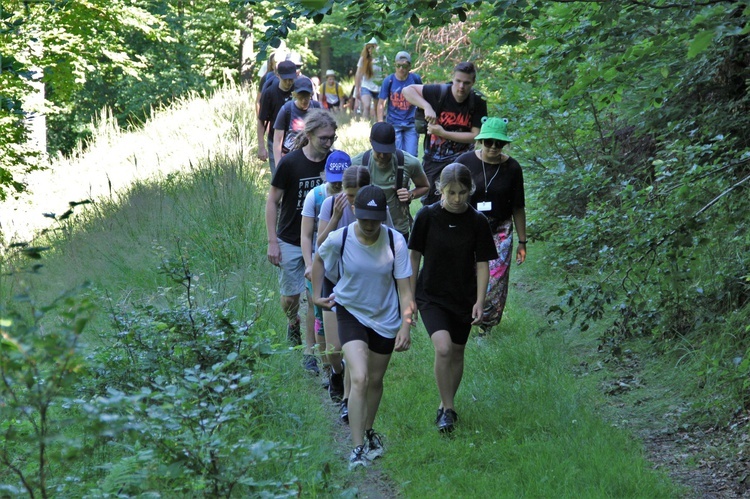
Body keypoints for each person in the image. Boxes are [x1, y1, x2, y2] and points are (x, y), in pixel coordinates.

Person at [312, 185, 415, 470]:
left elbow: (405, 290)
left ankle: (368, 431)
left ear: (383, 216)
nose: (370, 225)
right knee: (359, 377)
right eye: (365, 218)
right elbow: (318, 257)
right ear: (355, 211)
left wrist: (406, 326)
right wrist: (316, 295)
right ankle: (357, 448)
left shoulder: (395, 242)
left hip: (385, 318)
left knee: (375, 381)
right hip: (350, 311)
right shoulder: (340, 237)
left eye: (375, 219)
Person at [408, 163, 498, 433]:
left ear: (470, 190)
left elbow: (483, 264)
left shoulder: (477, 222)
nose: (457, 199)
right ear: (440, 190)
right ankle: (448, 410)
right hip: (431, 294)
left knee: (457, 352)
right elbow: (413, 257)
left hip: (463, 295)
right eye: (451, 193)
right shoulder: (426, 216)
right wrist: (409, 297)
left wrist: (480, 301)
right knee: (444, 348)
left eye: (462, 192)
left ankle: (446, 403)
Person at [316, 166, 394, 422]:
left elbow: (392, 242)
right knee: (334, 349)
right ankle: (335, 374)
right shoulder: (331, 205)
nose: (354, 201)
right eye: (350, 195)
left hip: (360, 288)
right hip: (334, 280)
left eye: (358, 195)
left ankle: (350, 401)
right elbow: (320, 246)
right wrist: (337, 218)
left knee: (355, 350)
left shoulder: (377, 209)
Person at [266, 109, 337, 355]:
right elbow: (272, 200)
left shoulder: (334, 162)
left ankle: (310, 352)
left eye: (332, 138)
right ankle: (291, 321)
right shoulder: (290, 163)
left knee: (312, 296)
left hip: (323, 240)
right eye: (323, 138)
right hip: (290, 238)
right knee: (290, 297)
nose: (328, 143)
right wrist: (272, 241)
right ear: (309, 135)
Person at [455, 117, 527, 331]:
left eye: (499, 143)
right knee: (466, 276)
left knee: (493, 283)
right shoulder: (465, 162)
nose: (494, 147)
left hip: (500, 230)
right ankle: (463, 319)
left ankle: (486, 326)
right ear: (480, 141)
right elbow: (450, 196)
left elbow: (518, 207)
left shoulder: (513, 168)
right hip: (469, 227)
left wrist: (523, 242)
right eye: (489, 142)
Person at [402, 61, 488, 205]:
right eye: (458, 81)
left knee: (460, 200)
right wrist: (426, 106)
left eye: (466, 83)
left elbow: (475, 136)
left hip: (462, 159)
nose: (461, 87)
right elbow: (407, 90)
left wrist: (443, 133)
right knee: (431, 203)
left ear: (473, 82)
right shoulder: (439, 92)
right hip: (434, 159)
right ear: (452, 78)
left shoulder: (477, 101)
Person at [301, 150, 352, 376]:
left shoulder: (356, 196)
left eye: (343, 185)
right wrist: (309, 264)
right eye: (334, 185)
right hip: (325, 264)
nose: (338, 190)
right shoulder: (316, 197)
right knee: (320, 314)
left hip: (350, 266)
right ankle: (327, 367)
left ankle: (343, 365)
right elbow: (310, 237)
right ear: (325, 177)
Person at [351, 122, 430, 240]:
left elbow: (425, 186)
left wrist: (410, 194)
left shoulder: (408, 162)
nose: (382, 155)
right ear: (370, 141)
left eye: (387, 151)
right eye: (379, 151)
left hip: (398, 229)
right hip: (366, 228)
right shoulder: (357, 163)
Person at [377, 51, 423, 156]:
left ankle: (409, 173)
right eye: (398, 65)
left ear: (409, 66)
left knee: (411, 156)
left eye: (404, 66)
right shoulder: (389, 81)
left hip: (411, 123)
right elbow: (381, 102)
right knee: (396, 155)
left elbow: (422, 97)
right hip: (394, 123)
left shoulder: (415, 79)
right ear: (395, 65)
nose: (401, 69)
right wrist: (380, 122)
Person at [257, 60, 297, 174]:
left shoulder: (298, 90)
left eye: (291, 79)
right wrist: (261, 146)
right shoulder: (269, 93)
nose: (289, 82)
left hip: (296, 141)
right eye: (286, 79)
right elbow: (261, 121)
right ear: (278, 76)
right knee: (279, 176)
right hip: (275, 141)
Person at [273, 77, 324, 165]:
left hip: (312, 156)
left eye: (307, 96)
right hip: (290, 156)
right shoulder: (286, 110)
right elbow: (277, 140)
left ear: (311, 95)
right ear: (295, 95)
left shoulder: (317, 108)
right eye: (301, 96)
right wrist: (279, 165)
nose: (304, 100)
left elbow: (325, 133)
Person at [354, 38, 383, 121]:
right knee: (366, 105)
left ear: (376, 47)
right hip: (366, 86)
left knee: (377, 109)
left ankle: (377, 126)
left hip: (378, 87)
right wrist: (357, 89)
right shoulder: (363, 59)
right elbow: (358, 74)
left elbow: (386, 72)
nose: (370, 50)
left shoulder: (381, 58)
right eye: (368, 48)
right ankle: (365, 125)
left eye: (372, 47)